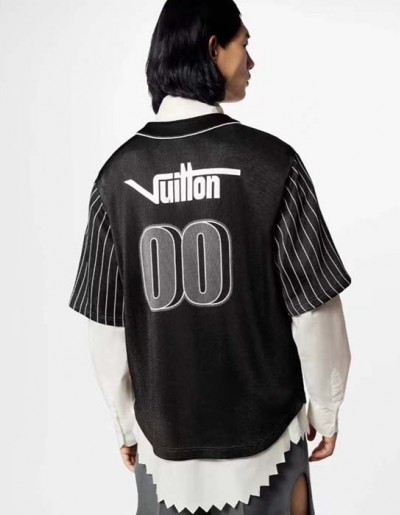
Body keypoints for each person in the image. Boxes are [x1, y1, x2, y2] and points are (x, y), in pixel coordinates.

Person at [68, 1, 352, 514]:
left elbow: (106, 325)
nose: (251, 60)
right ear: (213, 48)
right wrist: (326, 408)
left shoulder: (116, 179)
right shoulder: (272, 164)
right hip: (267, 444)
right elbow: (314, 307)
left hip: (163, 450)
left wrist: (125, 423)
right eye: (244, 44)